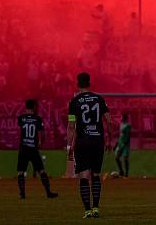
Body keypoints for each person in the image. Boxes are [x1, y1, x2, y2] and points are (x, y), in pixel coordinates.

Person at [67, 72, 112, 219]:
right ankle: (96, 208)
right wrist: (110, 140)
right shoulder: (99, 99)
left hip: (82, 142)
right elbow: (109, 121)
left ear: (77, 84)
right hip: (97, 141)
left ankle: (87, 211)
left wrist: (70, 147)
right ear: (89, 83)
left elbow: (71, 126)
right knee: (96, 175)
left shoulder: (74, 102)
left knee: (84, 176)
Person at [16, 99, 58, 199]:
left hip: (23, 149)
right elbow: (42, 134)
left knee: (21, 171)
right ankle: (48, 192)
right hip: (33, 149)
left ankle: (22, 193)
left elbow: (19, 132)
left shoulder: (21, 118)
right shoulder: (38, 119)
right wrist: (40, 143)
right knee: (42, 171)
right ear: (34, 107)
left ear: (25, 107)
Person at [114, 113, 131, 177]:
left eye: (121, 117)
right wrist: (116, 144)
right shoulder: (121, 125)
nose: (121, 118)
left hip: (125, 144)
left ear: (125, 118)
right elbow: (120, 136)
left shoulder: (128, 125)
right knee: (116, 158)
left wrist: (125, 143)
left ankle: (126, 174)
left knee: (125, 158)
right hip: (120, 143)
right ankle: (121, 171)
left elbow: (128, 136)